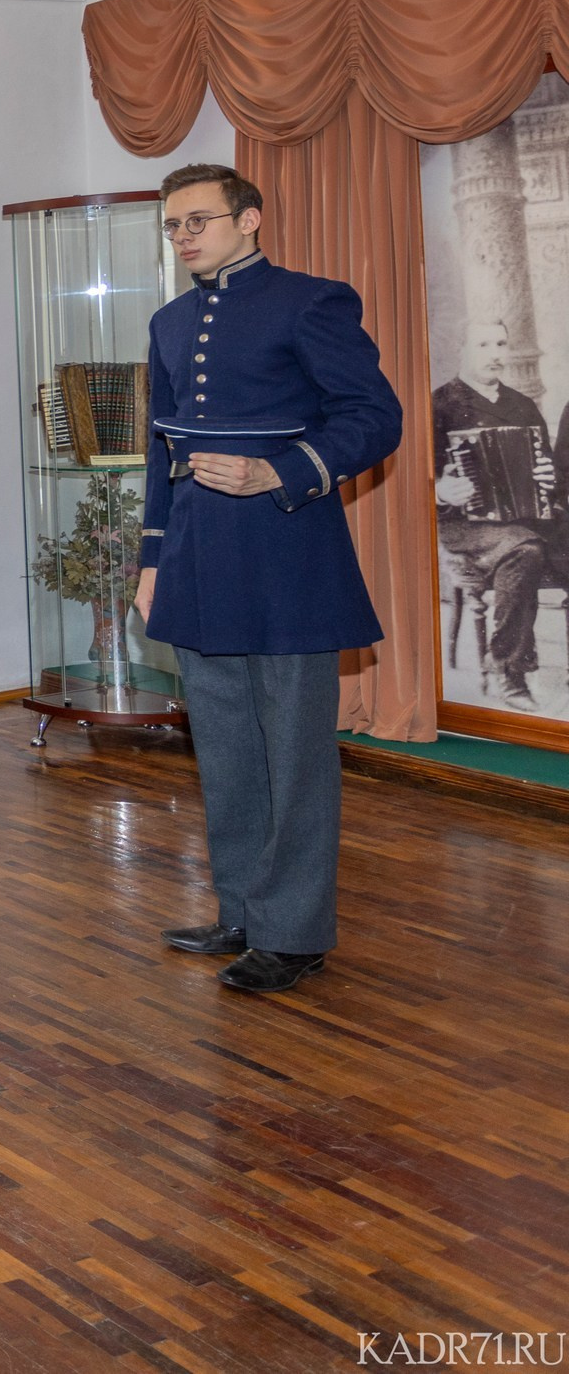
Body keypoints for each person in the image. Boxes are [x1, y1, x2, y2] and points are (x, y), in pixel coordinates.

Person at [136, 163, 403, 995]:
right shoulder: (170, 320)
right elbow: (159, 452)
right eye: (174, 225)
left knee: (294, 755)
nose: (184, 237)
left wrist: (281, 474)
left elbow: (374, 417)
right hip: (196, 559)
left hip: (289, 557)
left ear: (250, 220)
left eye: (199, 221)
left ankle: (293, 934)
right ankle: (244, 909)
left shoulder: (310, 300)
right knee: (224, 749)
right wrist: (150, 562)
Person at [433, 319, 554, 710]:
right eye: (484, 344)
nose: (495, 354)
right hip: (462, 526)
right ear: (464, 349)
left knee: (531, 544)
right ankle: (509, 670)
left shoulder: (523, 405)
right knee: (527, 550)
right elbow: (411, 478)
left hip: (520, 523)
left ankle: (506, 660)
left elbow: (545, 467)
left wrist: (545, 474)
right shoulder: (438, 405)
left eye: (501, 344)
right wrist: (438, 489)